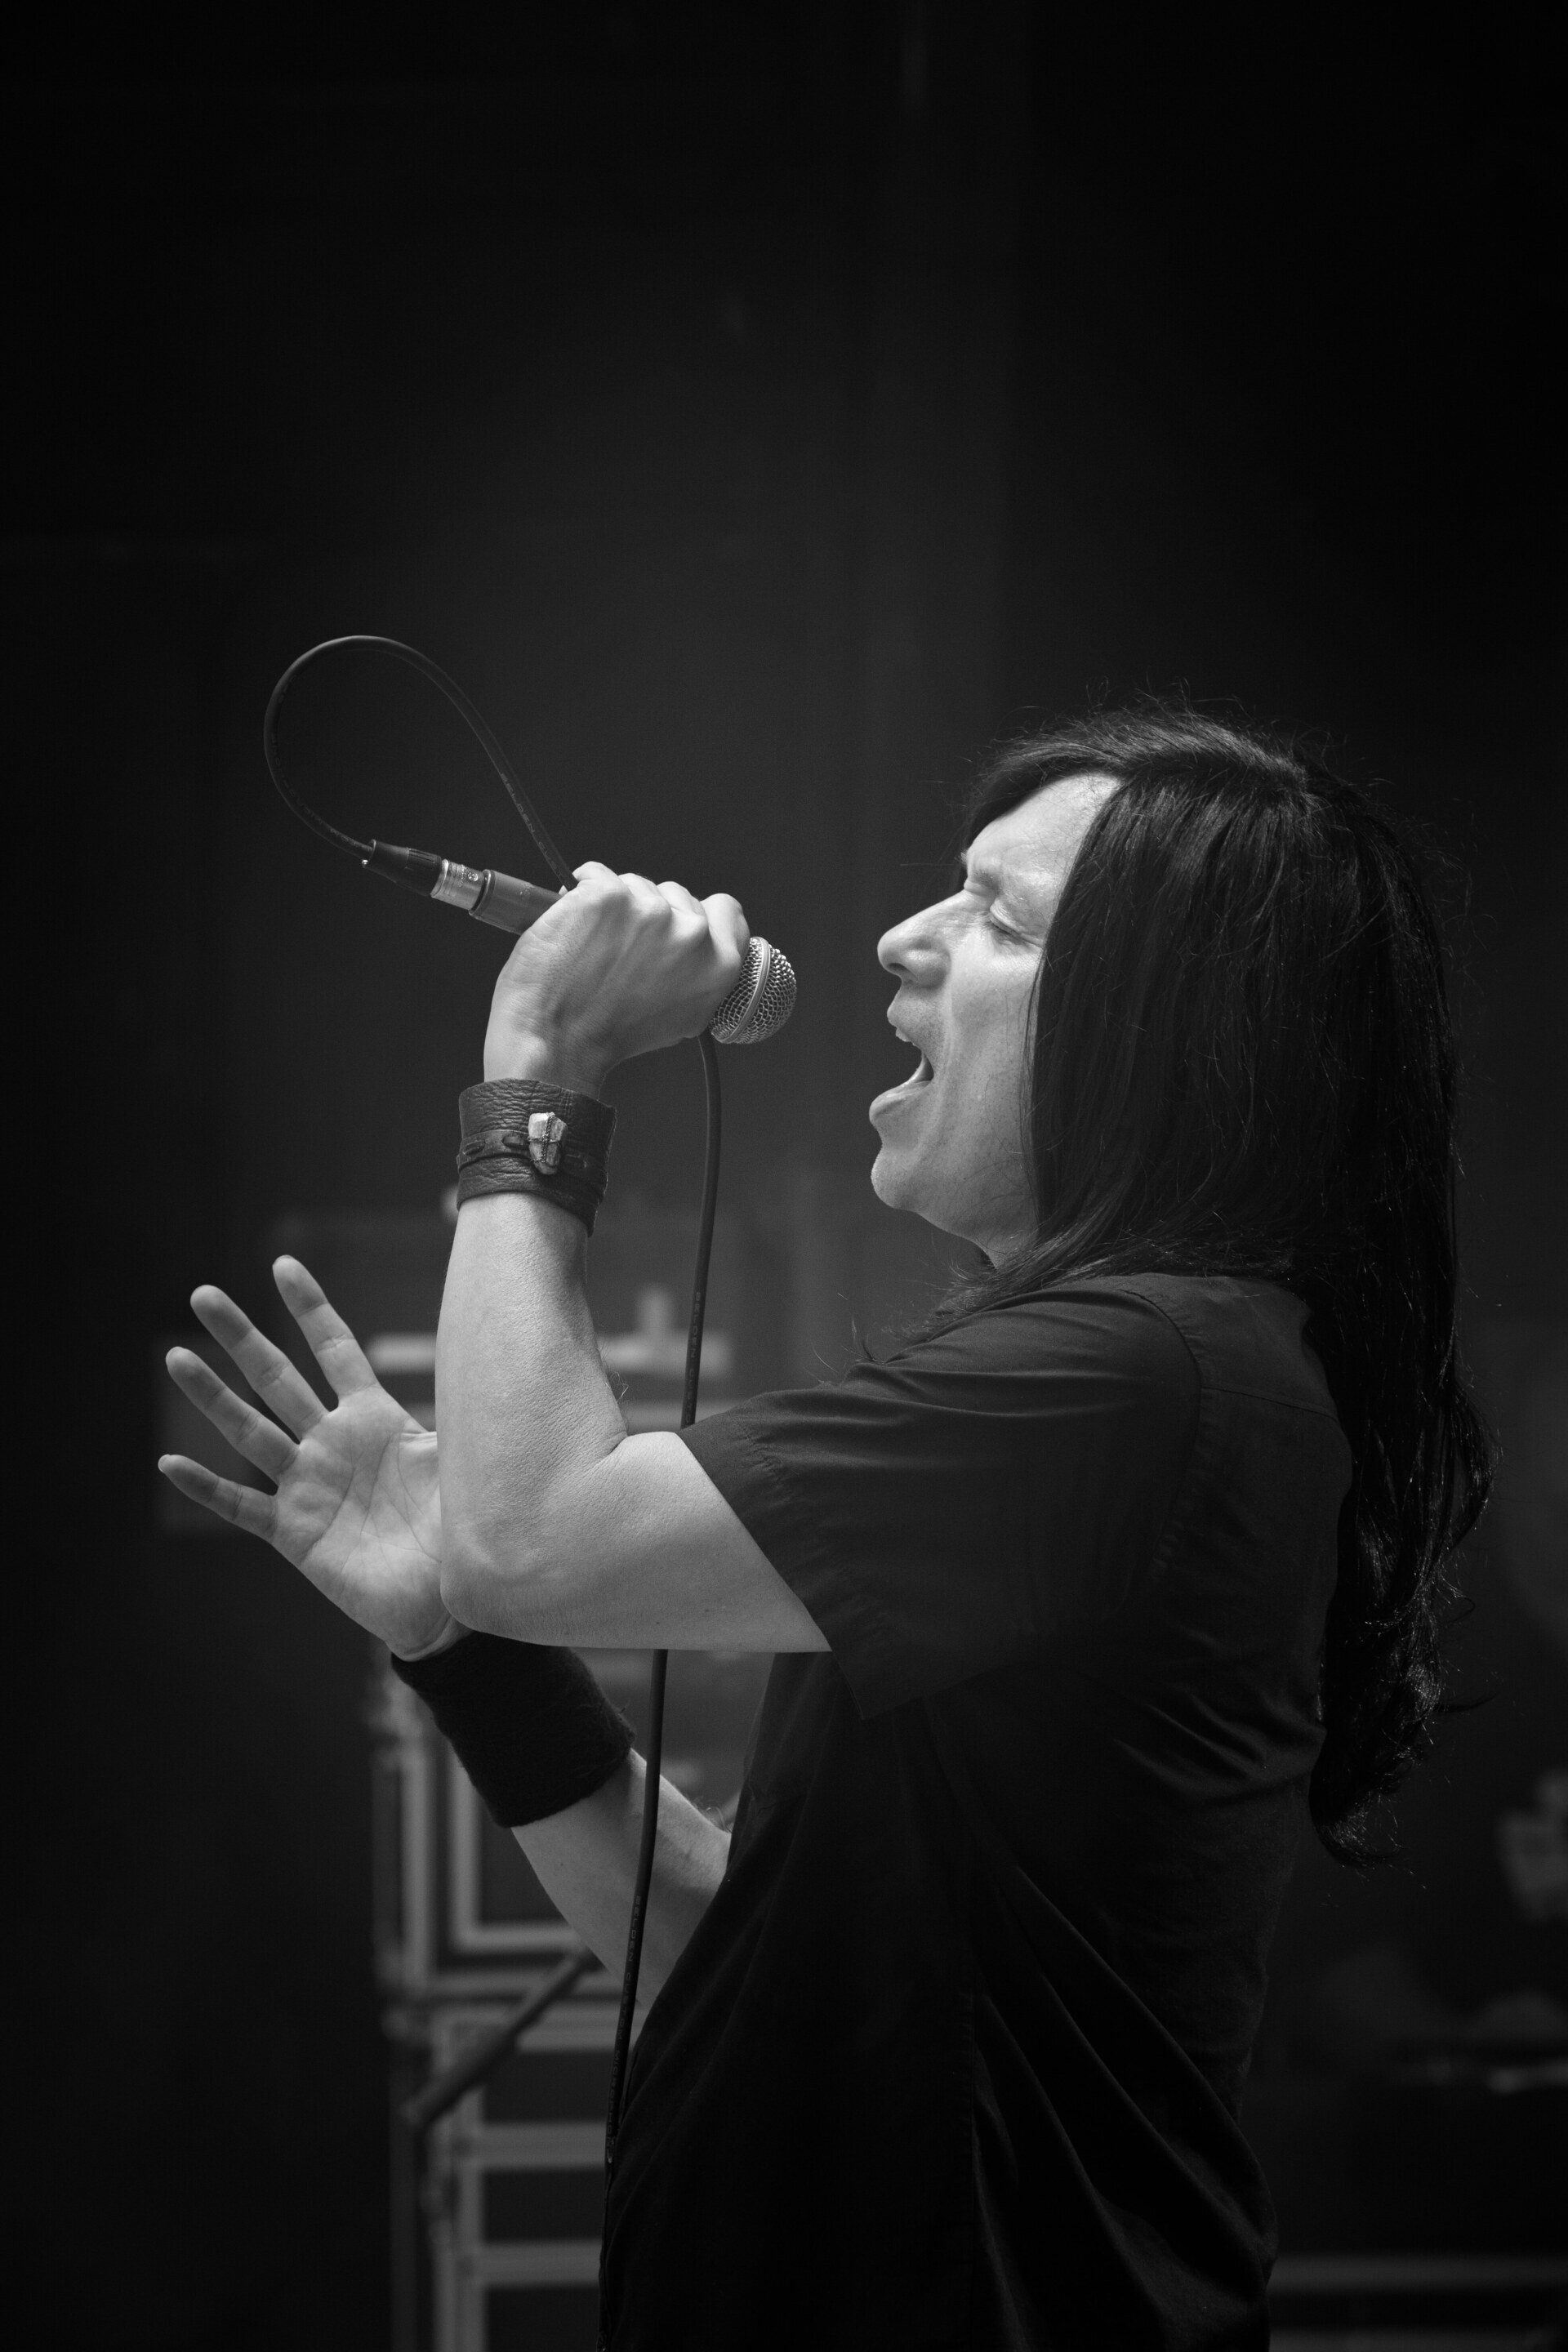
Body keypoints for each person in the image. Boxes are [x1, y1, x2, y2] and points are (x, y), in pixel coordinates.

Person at [160, 705, 1491, 2350]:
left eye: (1002, 921)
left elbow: (537, 1537)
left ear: (1167, 1040)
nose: (903, 942)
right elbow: (737, 1972)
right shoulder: (1136, 1384)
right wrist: (462, 1646)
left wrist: (544, 1071)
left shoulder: (1149, 1376)